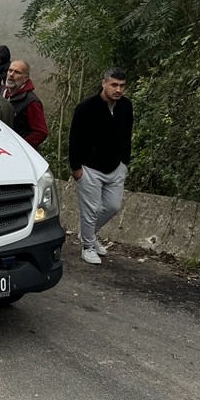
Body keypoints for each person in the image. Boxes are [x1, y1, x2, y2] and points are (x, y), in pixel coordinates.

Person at [68, 67, 133, 265]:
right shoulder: (86, 107)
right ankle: (87, 246)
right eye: (114, 84)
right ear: (104, 83)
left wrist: (124, 163)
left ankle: (89, 234)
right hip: (89, 167)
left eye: (121, 85)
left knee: (113, 206)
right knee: (90, 209)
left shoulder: (126, 106)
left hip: (115, 166)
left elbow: (126, 134)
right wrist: (76, 168)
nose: (118, 89)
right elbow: (75, 138)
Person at [2, 60, 49, 149]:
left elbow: (41, 132)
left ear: (25, 78)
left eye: (17, 72)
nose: (11, 74)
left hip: (17, 154)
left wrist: (20, 147)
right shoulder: (2, 93)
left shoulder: (31, 102)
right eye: (10, 70)